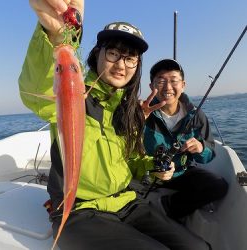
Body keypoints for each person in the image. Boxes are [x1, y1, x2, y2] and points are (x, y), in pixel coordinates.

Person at [18, 1, 211, 249]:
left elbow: (130, 161)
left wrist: (155, 165)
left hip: (128, 202)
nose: (121, 64)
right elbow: (36, 90)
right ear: (97, 54)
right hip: (80, 210)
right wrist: (58, 38)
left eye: (130, 58)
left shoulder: (128, 110)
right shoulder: (75, 93)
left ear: (137, 66)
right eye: (113, 54)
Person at [143, 58, 229, 221]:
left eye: (174, 81)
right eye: (161, 81)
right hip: (147, 175)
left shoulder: (197, 116)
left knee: (218, 185)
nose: (168, 87)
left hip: (182, 173)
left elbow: (209, 154)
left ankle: (167, 206)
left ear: (183, 85)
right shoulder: (141, 113)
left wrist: (201, 148)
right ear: (151, 86)